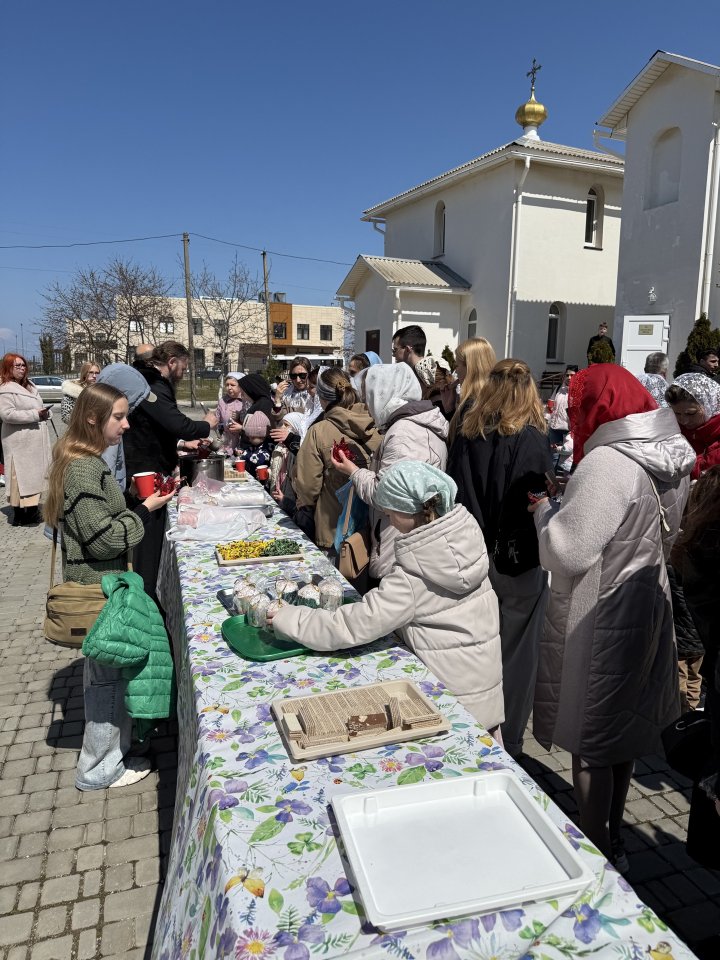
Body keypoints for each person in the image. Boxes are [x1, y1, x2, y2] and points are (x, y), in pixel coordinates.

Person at [530, 363, 694, 866]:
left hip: (600, 612)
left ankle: (597, 850)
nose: (575, 412)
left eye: (579, 402)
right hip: (645, 598)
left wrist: (544, 512)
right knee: (620, 733)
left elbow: (567, 552)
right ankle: (616, 836)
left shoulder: (606, 462)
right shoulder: (666, 451)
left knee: (592, 738)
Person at [269, 461, 504, 736]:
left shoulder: (414, 576)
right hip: (482, 691)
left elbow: (354, 625)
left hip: (448, 699)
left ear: (410, 511)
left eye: (390, 513)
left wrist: (292, 619)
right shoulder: (465, 544)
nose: (389, 520)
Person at [44, 383, 177, 789]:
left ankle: (114, 753)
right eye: (118, 417)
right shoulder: (84, 467)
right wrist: (146, 509)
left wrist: (133, 502)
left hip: (103, 585)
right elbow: (103, 540)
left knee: (109, 676)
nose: (126, 424)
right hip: (99, 589)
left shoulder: (84, 461)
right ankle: (99, 770)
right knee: (105, 683)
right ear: (92, 418)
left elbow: (97, 521)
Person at [448, 358, 552, 757]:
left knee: (476, 646)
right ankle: (508, 741)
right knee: (517, 653)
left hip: (473, 551)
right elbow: (532, 500)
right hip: (514, 558)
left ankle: (475, 728)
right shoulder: (530, 436)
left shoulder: (468, 430)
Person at [333, 363, 448, 581]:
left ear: (383, 394)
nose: (366, 407)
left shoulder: (404, 433)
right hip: (402, 543)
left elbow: (387, 495)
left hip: (399, 551)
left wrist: (353, 471)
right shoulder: (411, 426)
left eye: (369, 398)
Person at [122, 341, 217, 602]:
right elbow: (176, 422)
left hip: (149, 463)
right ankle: (145, 598)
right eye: (183, 368)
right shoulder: (152, 383)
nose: (183, 374)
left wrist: (181, 444)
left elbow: (157, 426)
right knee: (148, 537)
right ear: (172, 362)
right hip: (145, 468)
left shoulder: (149, 381)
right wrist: (206, 424)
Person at [673, 468, 720, 826]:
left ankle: (687, 715)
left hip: (697, 640)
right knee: (692, 676)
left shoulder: (692, 551)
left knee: (689, 676)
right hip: (702, 645)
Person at [292, 367, 379, 551]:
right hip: (372, 528)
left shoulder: (319, 431)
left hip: (333, 529)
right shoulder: (375, 424)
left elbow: (308, 486)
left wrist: (304, 500)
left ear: (322, 398)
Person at [0, 353, 52, 526]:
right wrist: (34, 415)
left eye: (24, 365)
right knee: (19, 479)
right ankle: (19, 515)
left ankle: (31, 511)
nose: (22, 368)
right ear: (8, 368)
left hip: (34, 440)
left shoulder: (30, 386)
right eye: (18, 366)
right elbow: (7, 414)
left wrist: (45, 413)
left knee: (34, 477)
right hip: (19, 442)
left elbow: (38, 407)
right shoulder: (5, 388)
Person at [96, 363, 157, 490]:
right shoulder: (107, 435)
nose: (127, 424)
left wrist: (129, 492)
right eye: (118, 416)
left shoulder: (112, 430)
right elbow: (106, 486)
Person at [665, 373, 720, 478]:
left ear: (708, 405)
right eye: (677, 413)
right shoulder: (674, 430)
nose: (684, 421)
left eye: (691, 413)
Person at [446, 337, 496, 434]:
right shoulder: (494, 401)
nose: (456, 371)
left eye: (457, 365)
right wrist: (450, 409)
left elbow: (460, 441)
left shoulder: (473, 408)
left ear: (470, 368)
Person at [216, 372, 250, 457]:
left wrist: (240, 423)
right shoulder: (222, 401)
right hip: (227, 442)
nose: (229, 388)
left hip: (243, 442)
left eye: (232, 385)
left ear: (240, 386)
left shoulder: (247, 400)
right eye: (227, 385)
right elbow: (217, 420)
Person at [546, 364, 578, 447]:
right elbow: (550, 405)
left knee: (566, 453)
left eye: (572, 375)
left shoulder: (579, 391)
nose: (569, 378)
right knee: (552, 452)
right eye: (567, 375)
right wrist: (547, 418)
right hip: (554, 429)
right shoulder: (558, 389)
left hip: (569, 431)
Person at [236, 411, 273, 480]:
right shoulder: (253, 445)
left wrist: (247, 456)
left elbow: (259, 460)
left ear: (262, 437)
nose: (250, 440)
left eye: (252, 438)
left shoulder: (268, 446)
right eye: (249, 437)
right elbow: (247, 453)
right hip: (252, 476)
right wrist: (241, 454)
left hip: (262, 479)